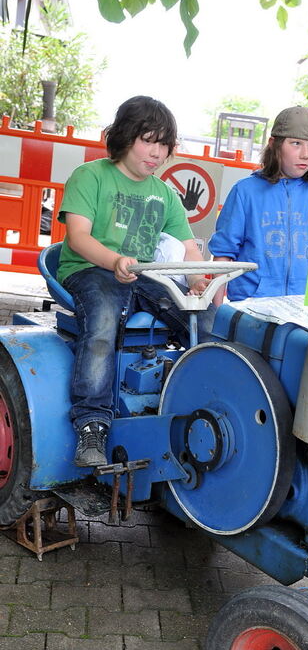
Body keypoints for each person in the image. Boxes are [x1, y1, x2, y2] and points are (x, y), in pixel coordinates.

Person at [57, 95, 213, 468]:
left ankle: (195, 402)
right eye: (148, 140)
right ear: (125, 137)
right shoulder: (90, 176)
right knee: (103, 322)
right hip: (90, 270)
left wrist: (196, 279)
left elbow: (188, 249)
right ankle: (92, 424)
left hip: (141, 276)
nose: (157, 152)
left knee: (201, 321)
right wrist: (114, 261)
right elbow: (78, 237)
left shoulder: (165, 195)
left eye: (163, 144)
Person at [208, 105, 308, 302]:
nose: (306, 154)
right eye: (296, 143)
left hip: (305, 309)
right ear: (274, 144)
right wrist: (216, 316)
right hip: (253, 306)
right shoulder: (245, 191)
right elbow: (224, 255)